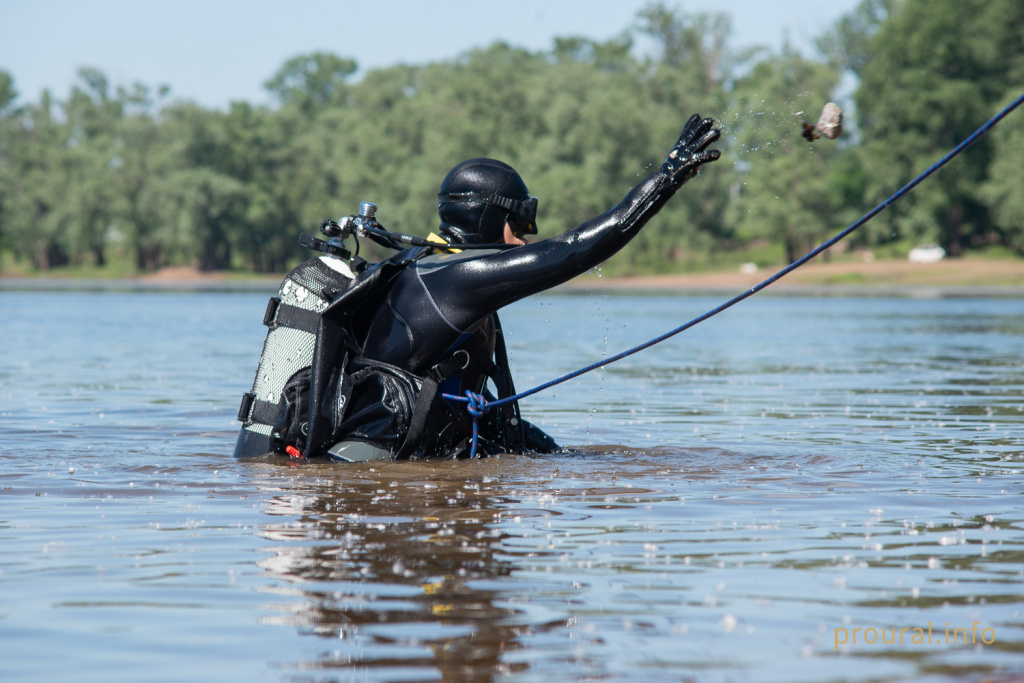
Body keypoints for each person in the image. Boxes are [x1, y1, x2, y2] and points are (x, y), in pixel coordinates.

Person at [234, 114, 721, 461]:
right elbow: (577, 248)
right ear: (492, 217)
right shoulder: (453, 280)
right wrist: (667, 176)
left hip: (416, 446)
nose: (526, 235)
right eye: (521, 220)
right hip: (364, 466)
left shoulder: (424, 268)